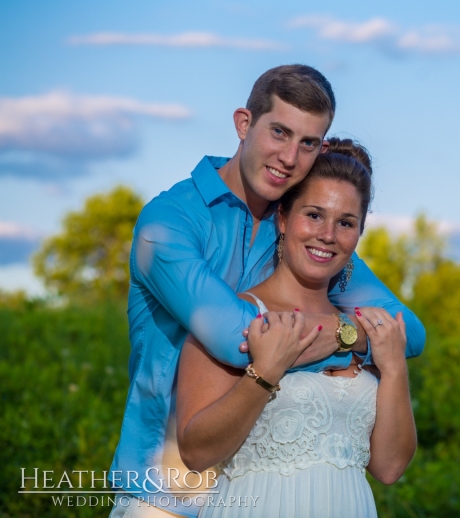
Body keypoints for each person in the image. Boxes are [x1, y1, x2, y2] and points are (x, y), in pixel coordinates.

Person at [109, 65, 424, 518]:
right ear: (243, 123)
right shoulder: (168, 223)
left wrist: (346, 336)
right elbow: (239, 339)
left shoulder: (303, 228)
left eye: (309, 143)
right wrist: (358, 340)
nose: (290, 157)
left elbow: (408, 330)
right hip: (166, 494)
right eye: (279, 132)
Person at [176, 140, 416, 517]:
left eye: (346, 223)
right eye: (314, 215)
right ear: (284, 219)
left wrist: (394, 367)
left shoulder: (362, 329)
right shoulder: (237, 315)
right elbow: (195, 452)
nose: (328, 235)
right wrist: (267, 370)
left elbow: (389, 467)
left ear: (358, 235)